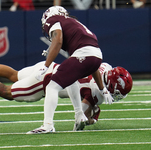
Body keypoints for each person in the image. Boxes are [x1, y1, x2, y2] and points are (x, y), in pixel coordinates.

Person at [0, 60, 132, 125]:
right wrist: (92, 116)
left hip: (49, 67)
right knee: (8, 92)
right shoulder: (99, 93)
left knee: (14, 74)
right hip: (46, 82)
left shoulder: (104, 67)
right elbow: (81, 118)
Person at [26, 6, 113, 134]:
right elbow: (93, 65)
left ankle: (48, 125)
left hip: (84, 54)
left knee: (52, 86)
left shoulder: (54, 19)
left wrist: (46, 65)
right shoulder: (73, 23)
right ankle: (79, 115)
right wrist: (102, 88)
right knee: (71, 80)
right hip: (96, 56)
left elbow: (58, 40)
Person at [58, 63, 133, 124]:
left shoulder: (106, 67)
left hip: (61, 70)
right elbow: (80, 114)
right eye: (117, 93)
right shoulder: (97, 93)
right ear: (111, 84)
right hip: (60, 85)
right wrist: (90, 120)